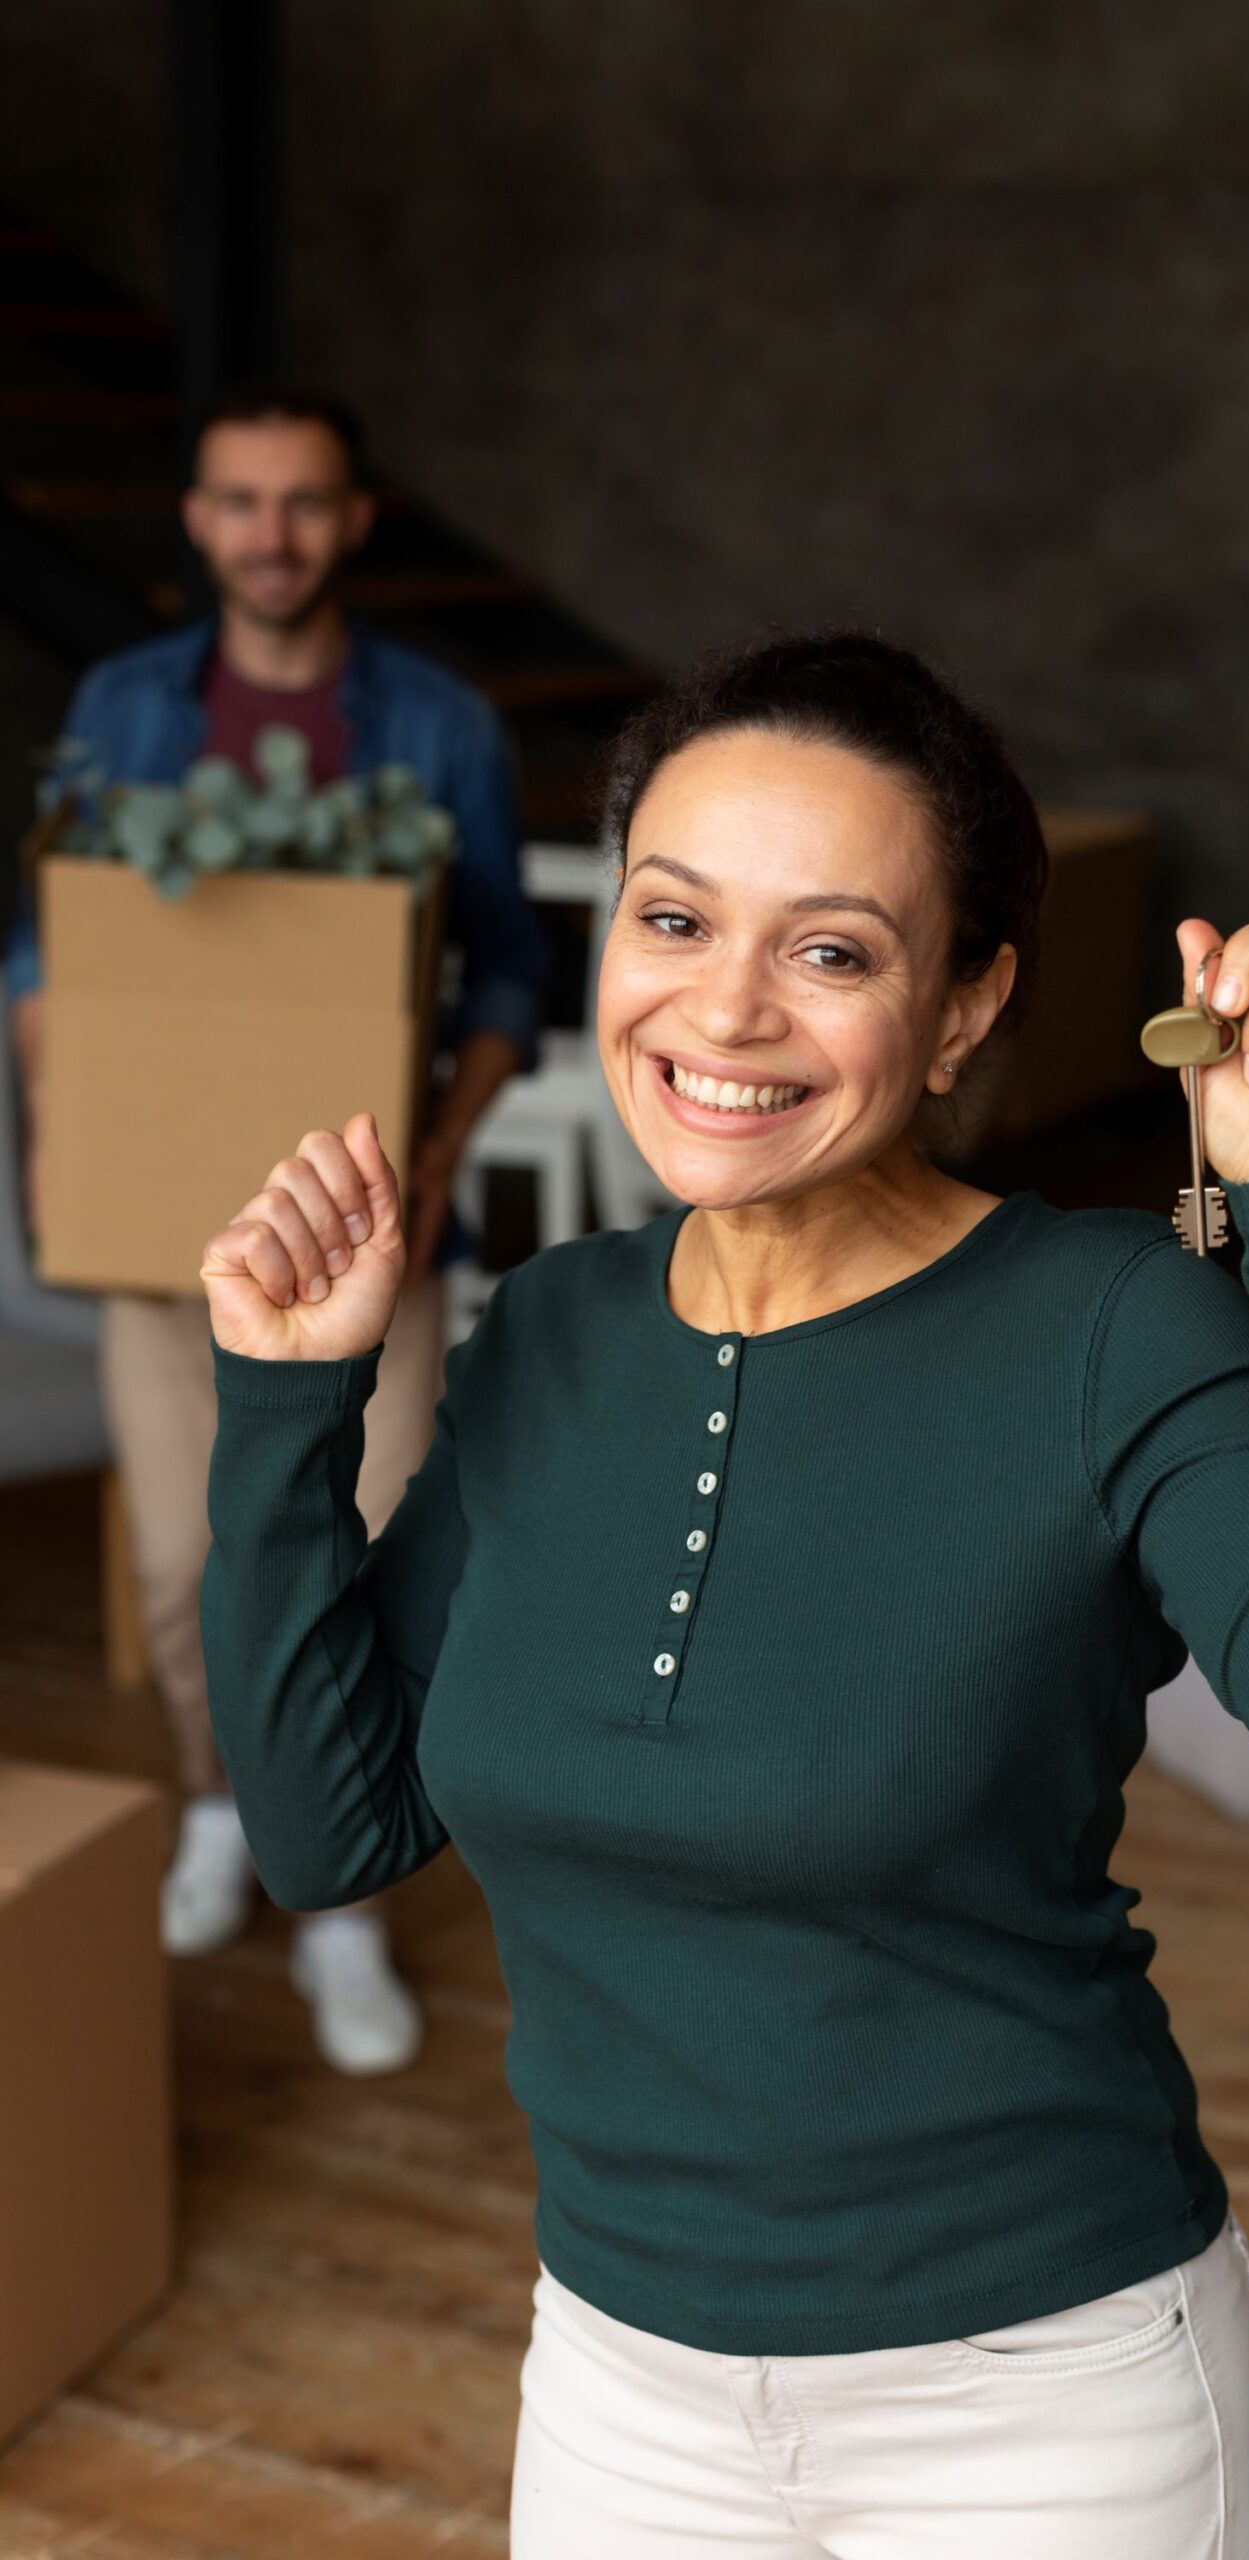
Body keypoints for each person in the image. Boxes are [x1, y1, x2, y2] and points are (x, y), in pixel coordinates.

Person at [193, 630, 1249, 2555]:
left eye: (830, 951)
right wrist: (285, 1409)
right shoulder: (553, 1330)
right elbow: (332, 1829)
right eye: (674, 918)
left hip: (1046, 2403)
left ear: (966, 1006)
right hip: (618, 2384)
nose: (724, 1011)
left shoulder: (1111, 1328)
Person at [2, 382, 553, 2073]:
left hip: (370, 1243)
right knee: (186, 1573)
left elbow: (509, 975)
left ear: (354, 520)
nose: (272, 534)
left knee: (358, 1571)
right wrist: (62, 1087)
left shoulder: (440, 722)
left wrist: (450, 1145)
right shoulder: (123, 704)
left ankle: (346, 1901)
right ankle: (225, 1809)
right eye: (240, 502)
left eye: (304, 502)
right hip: (174, 1245)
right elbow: (56, 944)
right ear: (195, 521)